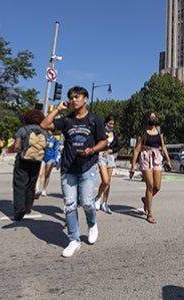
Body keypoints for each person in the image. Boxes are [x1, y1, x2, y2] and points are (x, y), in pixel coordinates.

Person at [40, 86, 107, 258]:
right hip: (68, 168)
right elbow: (44, 124)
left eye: (77, 97)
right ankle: (74, 239)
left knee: (86, 202)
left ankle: (92, 224)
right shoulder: (66, 120)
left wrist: (91, 150)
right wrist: (57, 109)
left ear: (85, 98)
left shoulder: (94, 119)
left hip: (87, 166)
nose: (73, 100)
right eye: (71, 97)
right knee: (69, 205)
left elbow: (103, 142)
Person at [129, 111, 171, 224]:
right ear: (147, 118)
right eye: (151, 117)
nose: (154, 119)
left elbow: (163, 146)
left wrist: (168, 159)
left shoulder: (159, 131)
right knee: (150, 185)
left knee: (157, 186)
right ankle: (149, 213)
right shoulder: (142, 132)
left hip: (157, 157)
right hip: (146, 157)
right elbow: (137, 149)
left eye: (154, 117)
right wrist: (132, 166)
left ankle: (146, 199)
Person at [12, 109, 47, 221]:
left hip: (23, 159)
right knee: (31, 183)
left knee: (19, 185)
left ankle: (19, 210)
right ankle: (28, 207)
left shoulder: (22, 130)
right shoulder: (43, 131)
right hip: (37, 160)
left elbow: (16, 146)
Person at [94, 115, 120, 214]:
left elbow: (118, 147)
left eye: (113, 124)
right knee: (105, 180)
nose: (111, 125)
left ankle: (104, 203)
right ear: (106, 122)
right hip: (101, 156)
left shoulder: (115, 134)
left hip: (111, 157)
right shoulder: (100, 132)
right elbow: (95, 144)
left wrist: (111, 150)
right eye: (110, 123)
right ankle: (97, 197)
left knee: (108, 181)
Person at [35, 129, 59, 198]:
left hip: (50, 158)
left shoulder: (54, 140)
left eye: (50, 131)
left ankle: (44, 189)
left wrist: (55, 159)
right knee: (39, 174)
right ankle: (37, 189)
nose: (48, 132)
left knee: (47, 175)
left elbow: (55, 150)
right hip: (42, 158)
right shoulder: (43, 138)